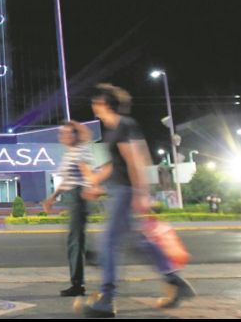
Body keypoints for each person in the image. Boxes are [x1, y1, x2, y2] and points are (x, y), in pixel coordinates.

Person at [82, 84, 195, 318]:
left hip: (125, 193)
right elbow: (117, 165)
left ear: (104, 103)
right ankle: (176, 281)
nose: (93, 106)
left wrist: (141, 194)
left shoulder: (124, 125)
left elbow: (135, 161)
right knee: (138, 244)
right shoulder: (114, 130)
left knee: (109, 244)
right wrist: (96, 183)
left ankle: (107, 299)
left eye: (96, 101)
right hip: (120, 191)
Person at [43, 121, 97, 297]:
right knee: (76, 241)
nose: (62, 137)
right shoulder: (70, 153)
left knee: (75, 242)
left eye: (66, 133)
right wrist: (52, 197)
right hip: (73, 197)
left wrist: (92, 186)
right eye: (61, 133)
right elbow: (66, 180)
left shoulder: (80, 150)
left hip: (79, 197)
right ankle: (93, 264)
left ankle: (78, 284)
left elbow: (86, 171)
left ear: (74, 135)